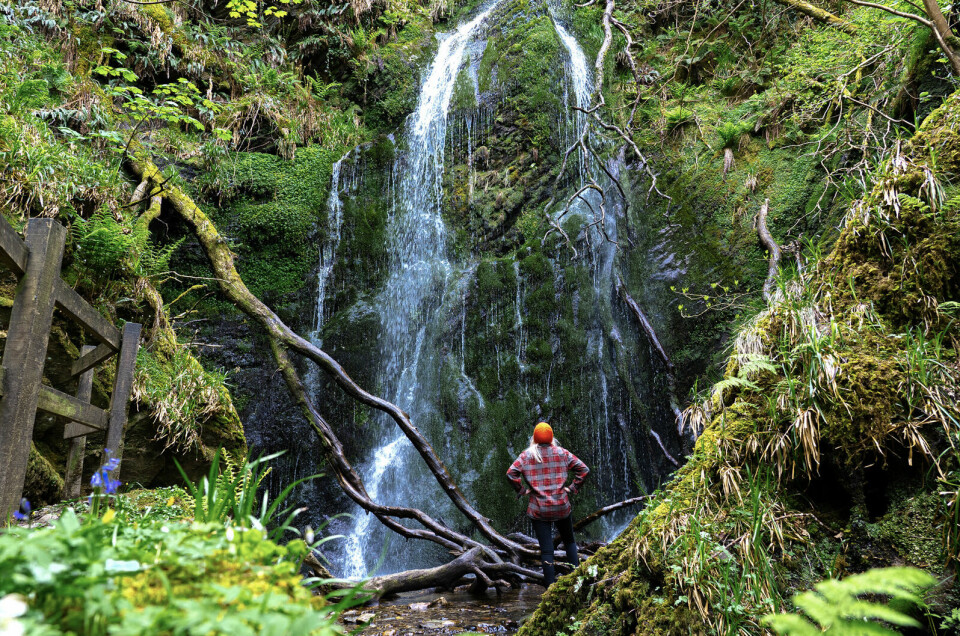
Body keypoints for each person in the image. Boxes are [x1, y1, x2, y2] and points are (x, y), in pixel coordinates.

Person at [506, 422, 589, 586]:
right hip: (561, 505)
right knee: (570, 541)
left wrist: (522, 490)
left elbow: (511, 473)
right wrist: (572, 488)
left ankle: (550, 587)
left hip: (539, 508)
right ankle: (577, 579)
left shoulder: (527, 455)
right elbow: (584, 469)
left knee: (546, 549)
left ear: (534, 439)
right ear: (552, 438)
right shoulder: (562, 453)